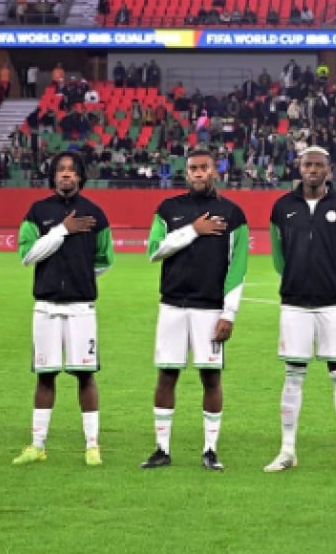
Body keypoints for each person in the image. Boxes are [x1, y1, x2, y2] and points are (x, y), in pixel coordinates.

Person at [141, 148, 249, 471]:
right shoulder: (169, 208)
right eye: (193, 168)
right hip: (172, 306)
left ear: (215, 171)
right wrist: (193, 231)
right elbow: (153, 251)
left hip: (210, 309)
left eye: (204, 167)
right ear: (186, 173)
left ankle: (210, 449)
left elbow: (237, 267)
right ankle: (162, 448)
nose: (199, 173)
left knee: (211, 377)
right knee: (166, 375)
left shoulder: (233, 214)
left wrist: (229, 313)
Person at [262, 147, 336, 475]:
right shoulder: (282, 207)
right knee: (293, 377)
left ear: (329, 169)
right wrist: (298, 281)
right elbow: (280, 258)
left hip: (333, 305)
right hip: (294, 304)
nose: (313, 169)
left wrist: (334, 284)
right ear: (299, 167)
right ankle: (287, 449)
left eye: (319, 165)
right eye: (307, 164)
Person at [13, 152, 114, 467]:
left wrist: (78, 277)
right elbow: (27, 255)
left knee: (85, 376)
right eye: (60, 170)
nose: (66, 175)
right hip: (45, 307)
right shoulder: (38, 212)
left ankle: (92, 446)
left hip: (81, 308)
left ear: (80, 176)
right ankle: (37, 445)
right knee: (45, 376)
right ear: (53, 176)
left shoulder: (95, 214)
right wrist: (62, 231)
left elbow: (104, 259)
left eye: (72, 170)